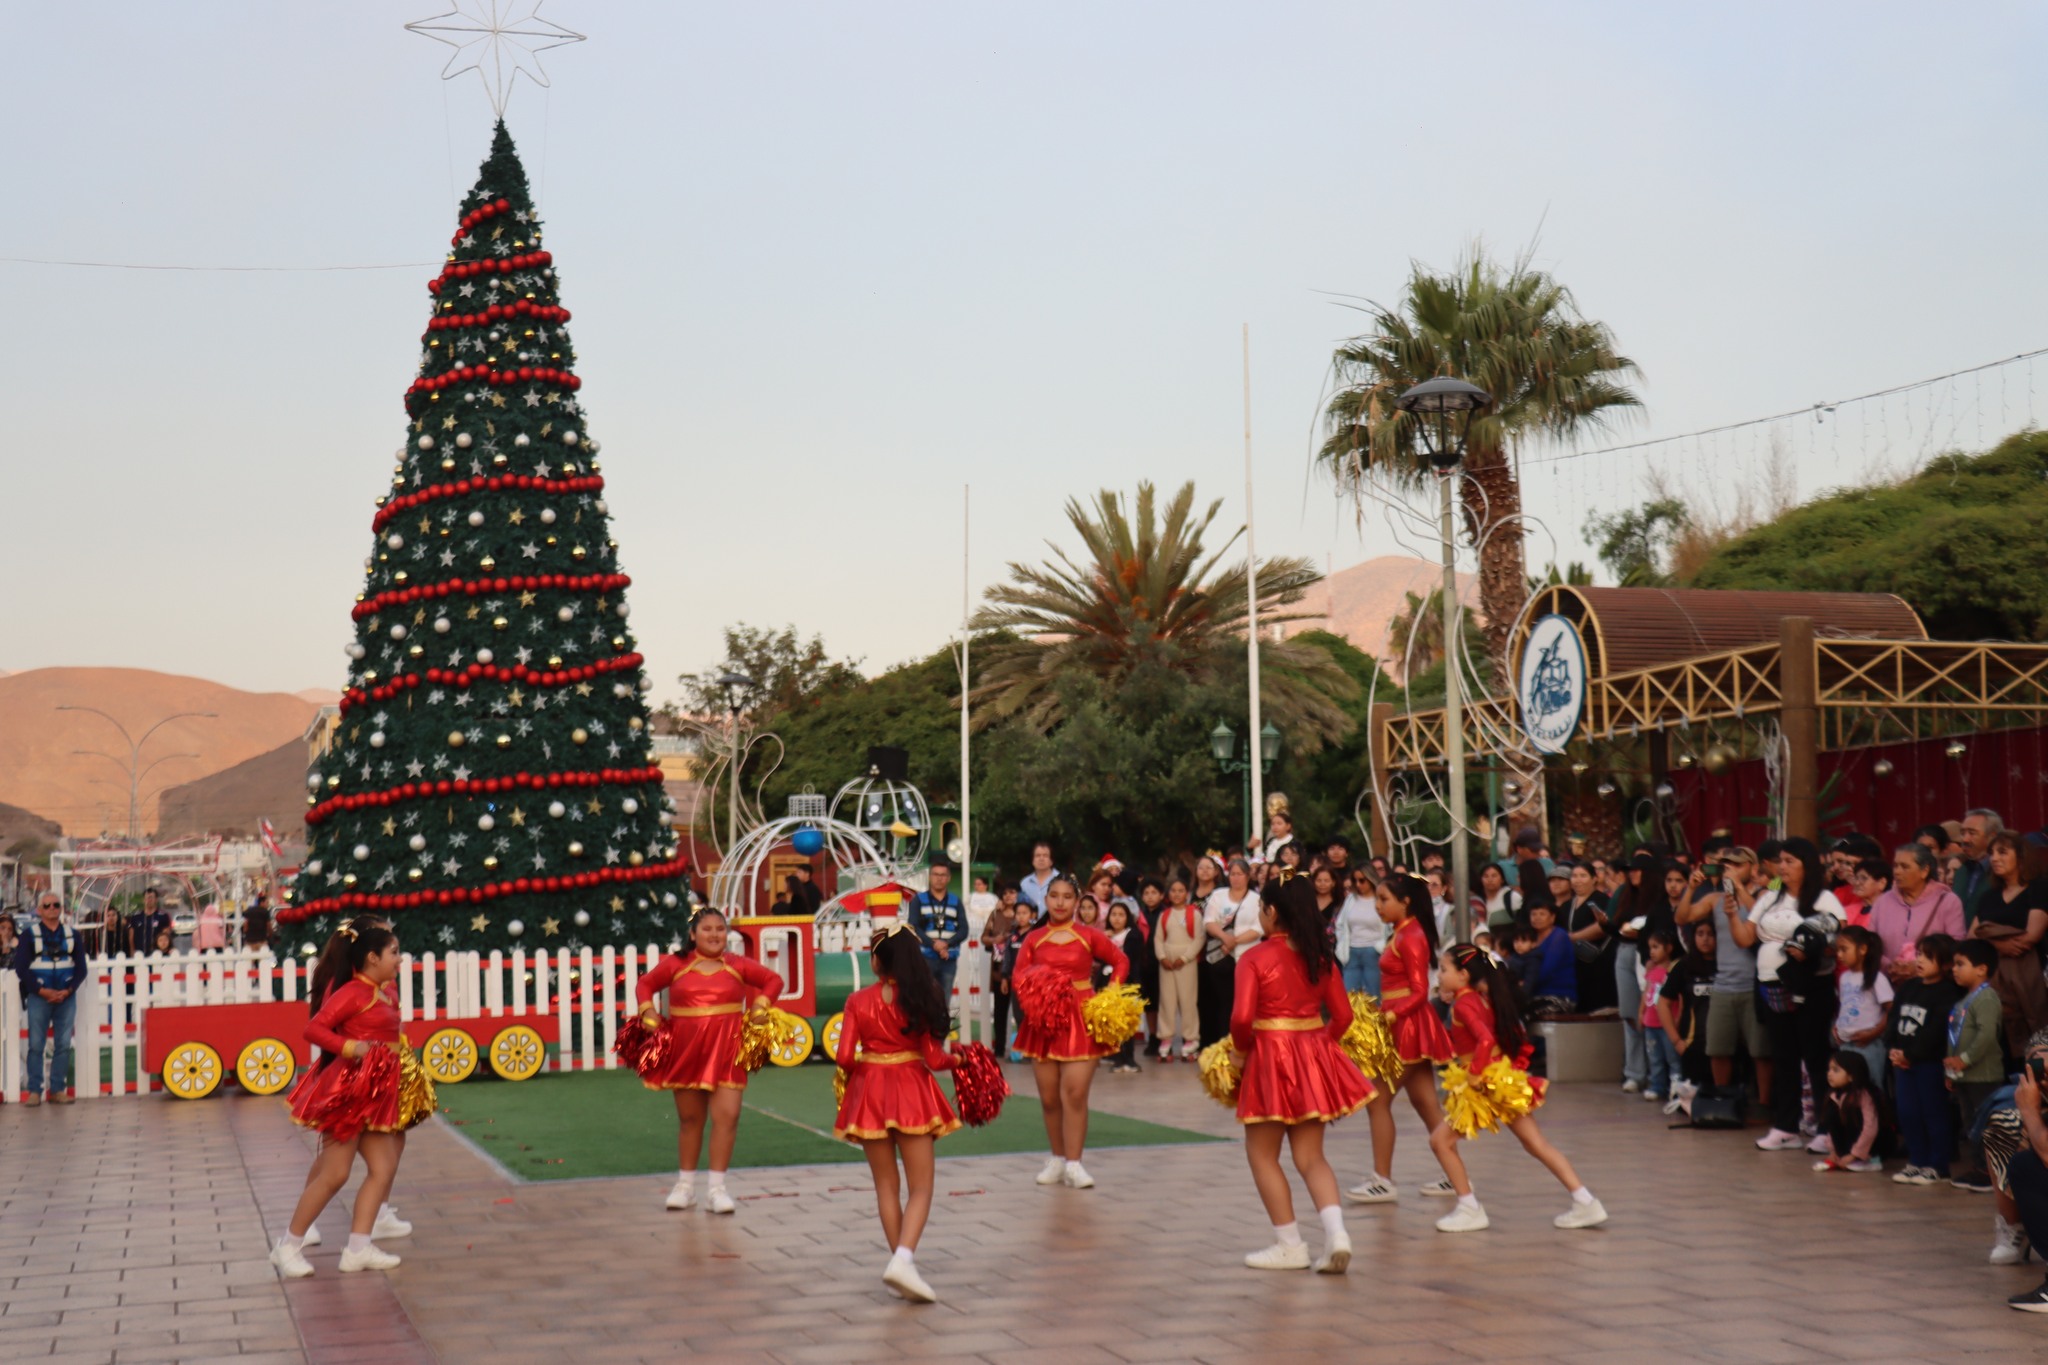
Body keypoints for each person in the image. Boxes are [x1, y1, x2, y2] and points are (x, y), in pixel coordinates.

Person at [271, 922, 431, 1278]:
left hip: (377, 1090)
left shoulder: (385, 991)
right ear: (372, 958)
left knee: (383, 1166)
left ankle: (358, 1247)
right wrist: (351, 1047)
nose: (399, 960)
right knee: (335, 1173)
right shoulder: (353, 992)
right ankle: (288, 1245)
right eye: (393, 953)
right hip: (349, 1090)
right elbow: (314, 1028)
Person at [1232, 875, 1371, 1273]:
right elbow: (1342, 1016)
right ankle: (1337, 1233)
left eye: (1261, 908)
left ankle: (1290, 1243)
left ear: (1272, 912)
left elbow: (1242, 1017)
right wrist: (1319, 1045)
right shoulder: (1320, 957)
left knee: (1262, 1154)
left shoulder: (1254, 959)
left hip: (1269, 1056)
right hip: (1311, 1053)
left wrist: (1240, 1055)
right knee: (1311, 1156)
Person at [1426, 943, 1607, 1233]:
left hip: (1485, 1083)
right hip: (1503, 1079)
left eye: (1444, 969)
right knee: (1536, 1143)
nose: (1438, 975)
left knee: (1440, 1142)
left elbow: (1484, 1040)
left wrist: (1474, 1076)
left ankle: (1469, 1207)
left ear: (1463, 975)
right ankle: (1585, 1200)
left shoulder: (1464, 1003)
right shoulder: (1481, 997)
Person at [833, 922, 961, 1304]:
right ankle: (904, 1260)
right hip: (911, 1090)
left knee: (886, 1186)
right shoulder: (926, 994)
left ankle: (900, 1262)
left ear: (876, 962)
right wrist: (963, 1059)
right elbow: (936, 1060)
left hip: (869, 1091)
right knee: (921, 1186)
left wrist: (867, 1071)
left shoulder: (858, 1000)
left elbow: (842, 1057)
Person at [635, 907, 786, 1214]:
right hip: (686, 1051)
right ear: (692, 934)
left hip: (727, 1051)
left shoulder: (737, 965)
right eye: (707, 929)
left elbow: (773, 980)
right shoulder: (676, 964)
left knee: (727, 1116)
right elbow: (645, 984)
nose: (715, 934)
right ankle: (686, 1186)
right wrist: (647, 1010)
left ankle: (717, 1189)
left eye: (720, 929)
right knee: (690, 1121)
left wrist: (760, 1005)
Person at [1012, 875, 1129, 1189]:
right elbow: (1018, 976)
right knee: (1050, 1098)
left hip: (1080, 1018)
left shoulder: (1089, 936)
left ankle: (1075, 1163)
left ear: (1077, 902)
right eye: (1054, 896)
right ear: (1046, 900)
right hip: (1044, 1023)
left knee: (1074, 1094)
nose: (1060, 903)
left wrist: (1109, 997)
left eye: (1067, 897)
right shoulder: (1033, 938)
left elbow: (1120, 960)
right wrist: (1037, 995)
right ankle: (1057, 1158)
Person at [1348, 873, 1454, 1206]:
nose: (1378, 906)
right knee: (1426, 1104)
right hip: (1403, 1023)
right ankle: (1455, 1174)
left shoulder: (1412, 936)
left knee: (1378, 1101)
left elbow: (1421, 991)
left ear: (1405, 901)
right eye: (1377, 899)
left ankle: (1382, 1180)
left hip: (1406, 1026)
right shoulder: (1403, 932)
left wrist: (1389, 1016)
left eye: (1383, 899)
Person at [1749, 838, 1845, 1153]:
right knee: (1784, 1057)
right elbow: (1747, 934)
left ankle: (1826, 1129)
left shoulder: (1825, 898)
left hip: (1812, 986)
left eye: (1791, 861)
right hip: (1773, 986)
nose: (1783, 867)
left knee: (1816, 1058)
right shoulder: (1770, 898)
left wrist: (1810, 948)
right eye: (1781, 861)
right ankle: (1786, 1126)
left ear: (1807, 864)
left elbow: (1840, 942)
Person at [1887, 932, 1961, 1187]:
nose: (1920, 961)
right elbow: (1894, 1019)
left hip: (1929, 1063)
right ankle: (1916, 1160)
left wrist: (1911, 1054)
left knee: (1933, 1112)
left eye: (1928, 957)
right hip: (1903, 1063)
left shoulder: (1948, 992)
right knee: (1907, 1112)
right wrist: (1894, 1049)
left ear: (1946, 964)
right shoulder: (1909, 987)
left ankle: (1938, 1165)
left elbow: (1937, 1030)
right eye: (1919, 954)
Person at [1969, 831, 2048, 1056]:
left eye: (2002, 852)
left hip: (2031, 976)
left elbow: (2030, 936)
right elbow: (1971, 937)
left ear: (2021, 857)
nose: (1994, 858)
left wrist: (1991, 940)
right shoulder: (1988, 897)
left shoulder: (2039, 888)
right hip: (1995, 980)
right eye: (1992, 853)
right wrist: (1999, 946)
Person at [14, 893, 86, 1106]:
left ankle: (57, 1090)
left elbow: (81, 968)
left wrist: (69, 990)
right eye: (47, 905)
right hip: (39, 997)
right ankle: (35, 1091)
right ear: (39, 910)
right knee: (36, 1044)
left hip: (66, 996)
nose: (53, 908)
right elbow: (21, 968)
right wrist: (41, 990)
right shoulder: (29, 935)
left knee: (63, 1045)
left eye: (56, 905)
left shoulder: (72, 935)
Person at [1947, 939, 2005, 1193]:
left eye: (1961, 964)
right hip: (1965, 1075)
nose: (1954, 969)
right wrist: (1951, 1071)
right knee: (1971, 1123)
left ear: (1981, 969)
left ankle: (1990, 1170)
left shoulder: (1987, 998)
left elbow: (1986, 1035)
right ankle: (1978, 1166)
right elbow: (1956, 1036)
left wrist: (1965, 1059)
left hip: (1983, 1075)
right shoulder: (1964, 1000)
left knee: (1985, 1124)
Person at [1868, 844, 1966, 983]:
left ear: (1924, 871)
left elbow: (1956, 945)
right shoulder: (1882, 902)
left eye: (1905, 867)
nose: (1897, 872)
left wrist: (1918, 967)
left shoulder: (1948, 901)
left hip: (1930, 987)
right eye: (1895, 866)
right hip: (1888, 986)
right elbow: (1871, 943)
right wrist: (1890, 966)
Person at [1609, 852, 1657, 1095]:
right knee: (1629, 1013)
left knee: (1651, 1012)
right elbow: (1615, 925)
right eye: (1631, 870)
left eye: (1638, 869)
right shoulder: (1626, 896)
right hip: (1624, 951)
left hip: (1648, 954)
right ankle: (1634, 1072)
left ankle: (1654, 1073)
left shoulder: (1656, 898)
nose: (1633, 874)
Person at [1200, 859, 1261, 1048]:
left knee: (1244, 1003)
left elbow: (1259, 928)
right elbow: (1209, 921)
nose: (1235, 878)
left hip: (1246, 956)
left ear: (1247, 876)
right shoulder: (1218, 896)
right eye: (1232, 874)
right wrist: (1224, 938)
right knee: (1223, 1003)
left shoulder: (1255, 898)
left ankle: (1244, 1042)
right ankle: (1223, 1043)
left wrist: (1235, 941)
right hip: (1221, 956)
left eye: (1239, 874)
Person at [1657, 919, 1718, 1102]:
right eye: (1700, 934)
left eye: (1710, 934)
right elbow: (1663, 1004)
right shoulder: (1683, 966)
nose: (1705, 939)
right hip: (1692, 1046)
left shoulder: (1726, 965)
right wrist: (1676, 1041)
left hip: (1722, 1047)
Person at [907, 861, 966, 1026]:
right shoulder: (918, 900)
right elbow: (913, 926)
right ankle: (923, 1043)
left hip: (948, 959)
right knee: (923, 999)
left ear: (948, 878)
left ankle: (938, 1045)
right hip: (926, 958)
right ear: (930, 877)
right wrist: (933, 944)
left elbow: (964, 929)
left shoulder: (955, 901)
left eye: (943, 875)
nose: (939, 879)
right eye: (935, 875)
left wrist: (946, 944)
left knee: (943, 1001)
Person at [1830, 925, 1892, 1080]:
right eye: (1838, 950)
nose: (1839, 955)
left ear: (1862, 949)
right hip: (1845, 1043)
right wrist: (1837, 1027)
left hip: (1869, 1045)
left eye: (1844, 949)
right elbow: (1845, 1005)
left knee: (1870, 1085)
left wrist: (1874, 1033)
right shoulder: (1844, 977)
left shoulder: (1876, 978)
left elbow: (1892, 1009)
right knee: (1850, 1087)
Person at [1812, 1051, 1887, 1173]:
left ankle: (1869, 1159)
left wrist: (1855, 1154)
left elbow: (1870, 1128)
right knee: (1832, 1115)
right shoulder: (1833, 1095)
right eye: (1829, 1070)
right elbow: (1832, 1127)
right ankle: (1842, 1155)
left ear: (1852, 1075)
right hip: (1851, 1143)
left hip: (1871, 1144)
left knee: (1852, 1115)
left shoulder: (1864, 1095)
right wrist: (1833, 1151)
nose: (1829, 1074)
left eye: (1836, 1070)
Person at [1153, 877, 1203, 1061]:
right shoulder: (1164, 915)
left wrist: (1185, 958)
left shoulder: (1194, 914)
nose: (1176, 894)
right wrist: (1162, 957)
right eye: (1173, 890)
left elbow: (1199, 938)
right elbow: (1158, 939)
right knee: (1167, 1001)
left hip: (1186, 963)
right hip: (1167, 962)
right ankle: (1166, 1038)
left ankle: (1191, 1039)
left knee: (1188, 1000)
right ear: (1168, 894)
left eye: (1180, 890)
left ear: (1187, 893)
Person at [1563, 861, 1614, 1012]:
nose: (1578, 880)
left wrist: (1574, 937)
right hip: (1575, 963)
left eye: (1583, 876)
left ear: (1594, 878)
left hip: (1597, 962)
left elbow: (1602, 927)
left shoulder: (1602, 900)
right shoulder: (1567, 905)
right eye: (1574, 876)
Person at [1102, 901, 1147, 1072]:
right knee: (1113, 1023)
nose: (1117, 918)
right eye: (1113, 914)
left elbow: (1127, 958)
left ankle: (1129, 1059)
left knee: (1127, 1023)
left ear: (1127, 917)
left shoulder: (1133, 935)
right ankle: (1117, 1057)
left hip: (1127, 985)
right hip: (1109, 984)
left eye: (1121, 915)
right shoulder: (1105, 935)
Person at [1509, 902, 1577, 1016]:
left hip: (1558, 996)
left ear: (1552, 917)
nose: (1537, 918)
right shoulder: (1528, 937)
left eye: (1542, 914)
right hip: (1532, 995)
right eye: (1534, 914)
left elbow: (1545, 971)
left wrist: (1524, 983)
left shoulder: (1559, 936)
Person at [1639, 927, 1682, 1103]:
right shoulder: (1652, 971)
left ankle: (1677, 1086)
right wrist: (1641, 1012)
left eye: (1656, 947)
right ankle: (1657, 1086)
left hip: (1667, 1024)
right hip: (1651, 1023)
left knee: (1672, 1057)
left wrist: (1678, 1019)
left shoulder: (1674, 971)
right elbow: (1647, 992)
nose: (1652, 952)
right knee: (1654, 1057)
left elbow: (1679, 998)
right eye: (1650, 947)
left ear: (1668, 948)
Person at [1335, 865, 1384, 998]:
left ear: (1371, 879)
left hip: (1374, 952)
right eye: (1355, 881)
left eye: (1362, 880)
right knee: (1349, 997)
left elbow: (1388, 926)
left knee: (1374, 997)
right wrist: (1342, 945)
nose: (1358, 884)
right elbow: (1340, 925)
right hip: (1352, 952)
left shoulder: (1381, 900)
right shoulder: (1350, 899)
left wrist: (1380, 947)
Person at [1954, 808, 2003, 917]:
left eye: (1972, 833)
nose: (1965, 839)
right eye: (1963, 833)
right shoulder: (1961, 871)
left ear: (1992, 837)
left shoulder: (2003, 871)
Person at [126, 887, 171, 957]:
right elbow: (131, 936)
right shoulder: (135, 917)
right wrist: (132, 951)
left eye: (151, 897)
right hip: (139, 955)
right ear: (143, 900)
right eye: (147, 898)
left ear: (156, 899)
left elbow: (166, 935)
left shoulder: (163, 916)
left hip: (158, 955)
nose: (149, 900)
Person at [1018, 841, 1060, 915]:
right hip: (1031, 926)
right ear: (1032, 861)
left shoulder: (1061, 880)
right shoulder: (1025, 883)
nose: (1041, 859)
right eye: (1038, 855)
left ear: (1051, 861)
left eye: (1045, 856)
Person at [1476, 863, 1520, 932]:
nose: (1490, 880)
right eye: (1486, 876)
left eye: (1494, 876)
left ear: (1502, 879)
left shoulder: (1512, 897)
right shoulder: (1478, 901)